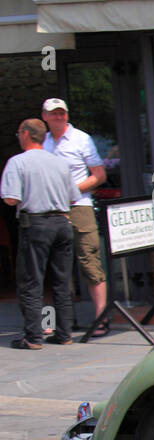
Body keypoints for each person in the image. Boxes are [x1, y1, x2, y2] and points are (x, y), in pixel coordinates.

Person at [3, 119, 80, 349]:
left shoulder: (17, 162)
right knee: (62, 280)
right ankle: (65, 333)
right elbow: (73, 197)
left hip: (36, 224)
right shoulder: (59, 163)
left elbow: (10, 199)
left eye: (19, 133)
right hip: (62, 223)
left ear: (25, 134)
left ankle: (34, 337)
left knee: (31, 281)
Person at [40, 98, 107, 331]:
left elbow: (99, 175)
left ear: (67, 115)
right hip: (51, 209)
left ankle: (101, 318)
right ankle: (63, 320)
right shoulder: (43, 142)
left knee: (89, 261)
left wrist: (72, 191)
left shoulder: (81, 139)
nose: (58, 117)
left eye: (62, 113)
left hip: (79, 206)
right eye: (53, 113)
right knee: (57, 265)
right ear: (45, 116)